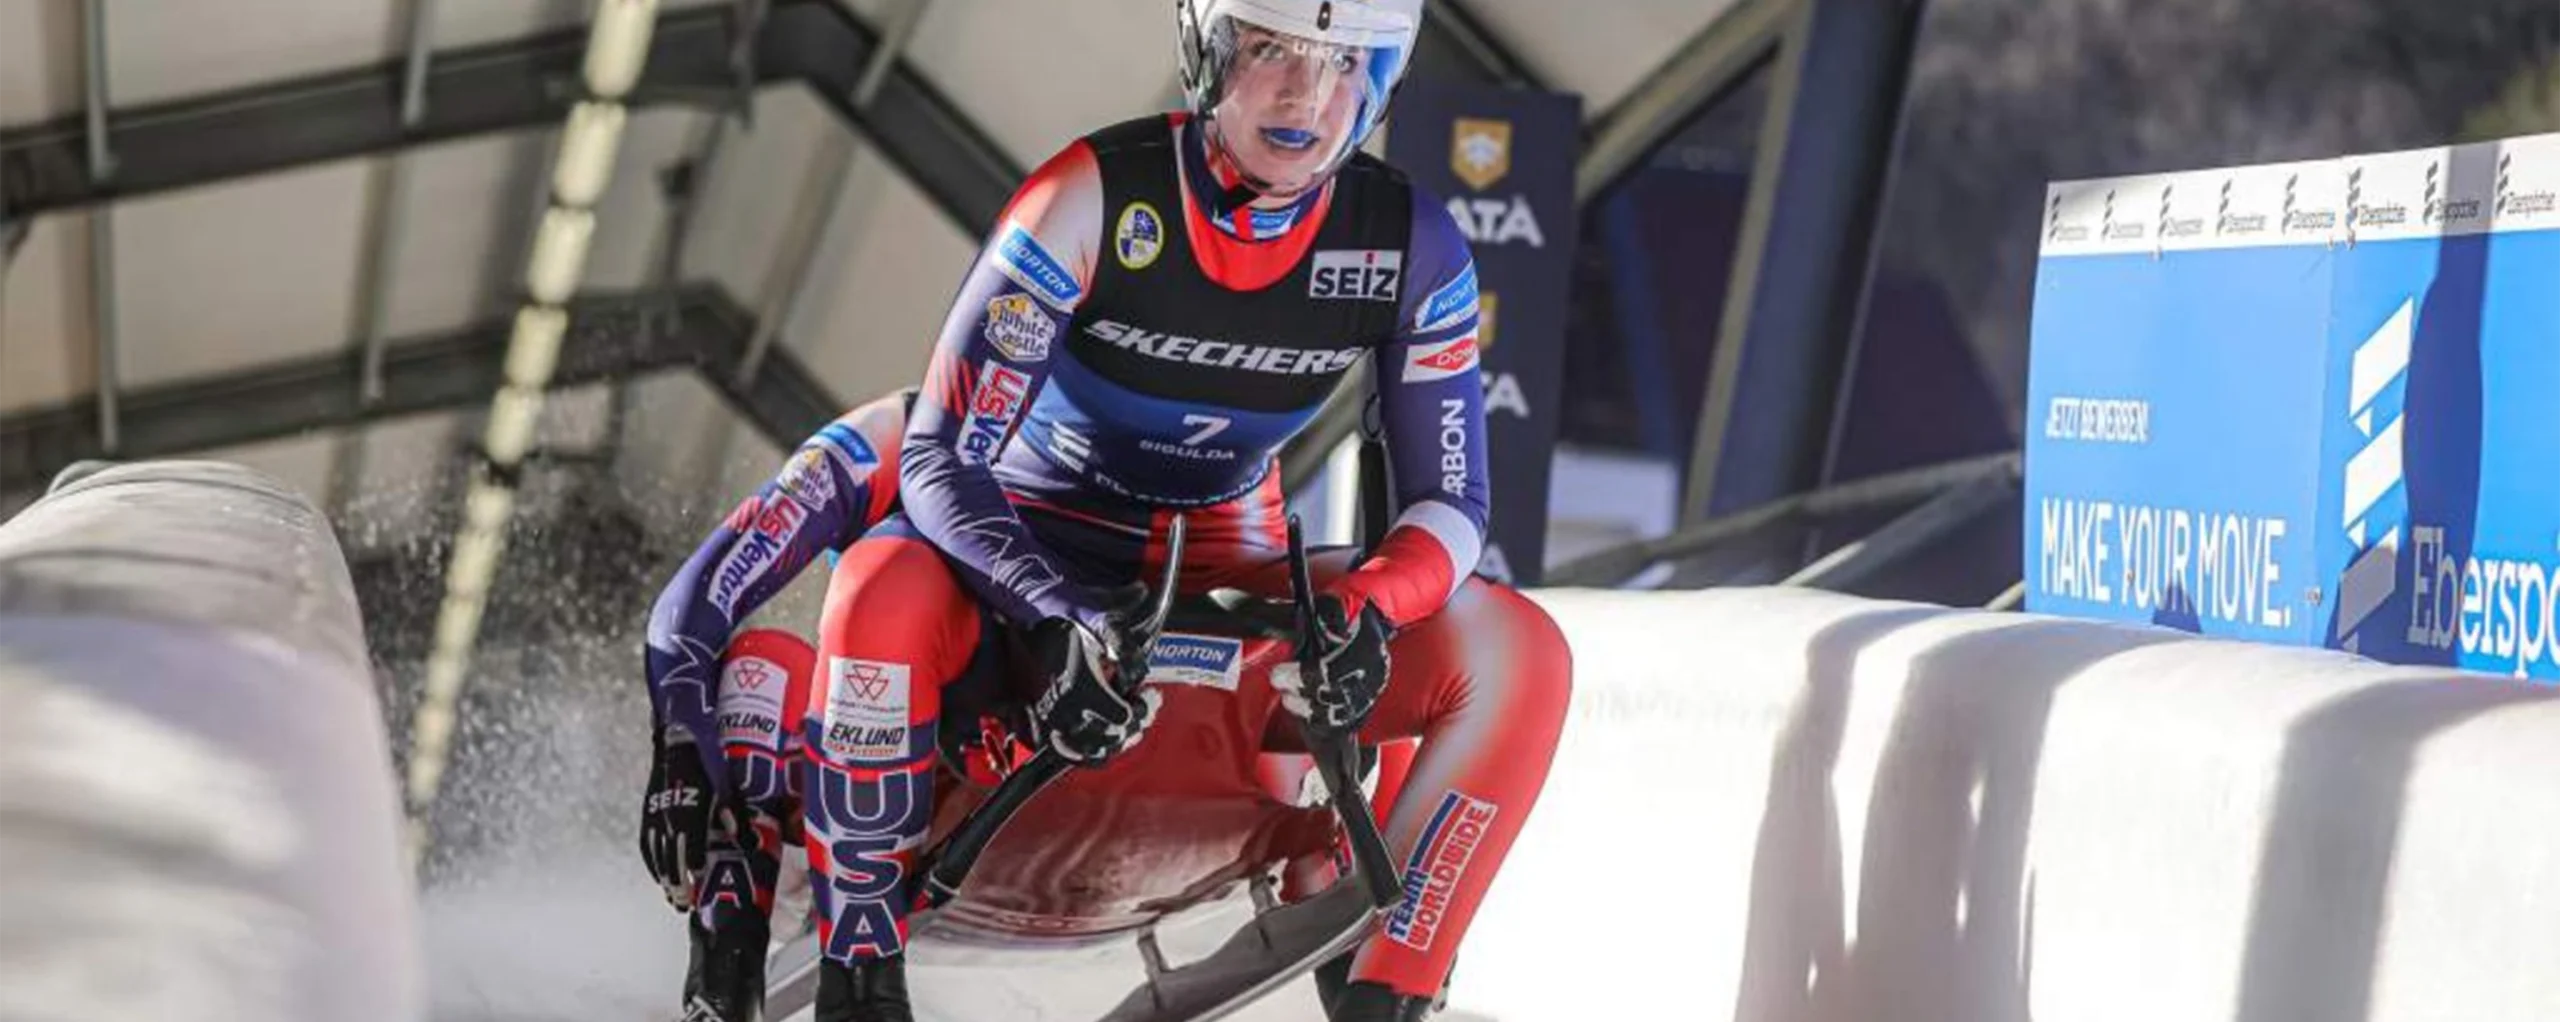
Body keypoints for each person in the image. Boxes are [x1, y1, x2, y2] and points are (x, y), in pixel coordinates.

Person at [796, 0, 1575, 1019]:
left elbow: (1450, 500)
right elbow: (944, 455)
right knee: (879, 582)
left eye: (1343, 61)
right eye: (1271, 50)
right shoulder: (1083, 197)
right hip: (1027, 573)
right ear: (1208, 53)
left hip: (1219, 578)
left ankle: (1392, 990)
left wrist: (1370, 610)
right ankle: (861, 961)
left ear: (1381, 78)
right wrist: (1048, 606)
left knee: (1520, 649)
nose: (1304, 92)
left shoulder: (1411, 243)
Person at [639, 388, 914, 1022]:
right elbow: (697, 599)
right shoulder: (902, 431)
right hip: (917, 767)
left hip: (1138, 720)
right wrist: (681, 750)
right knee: (762, 667)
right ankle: (727, 979)